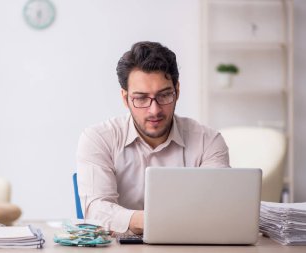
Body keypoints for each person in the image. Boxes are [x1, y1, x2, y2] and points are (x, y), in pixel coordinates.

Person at [76, 41, 230, 235]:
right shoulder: (98, 138)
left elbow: (217, 208)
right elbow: (96, 210)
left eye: (164, 95)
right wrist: (156, 220)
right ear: (125, 99)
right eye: (141, 98)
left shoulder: (208, 141)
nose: (154, 110)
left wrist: (140, 221)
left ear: (177, 91)